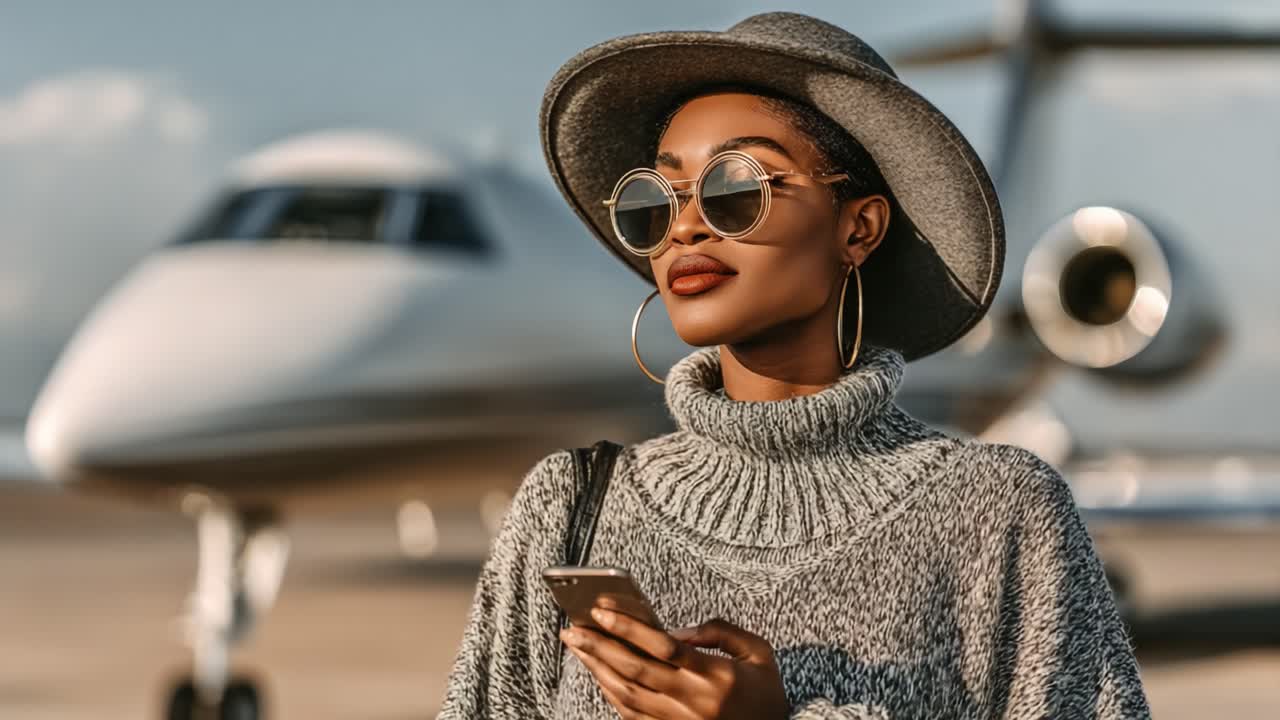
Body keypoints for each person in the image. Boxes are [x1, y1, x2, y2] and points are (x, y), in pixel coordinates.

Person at [438, 11, 1150, 719]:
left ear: (858, 227)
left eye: (736, 189)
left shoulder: (1000, 511)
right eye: (657, 201)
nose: (685, 226)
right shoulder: (567, 507)